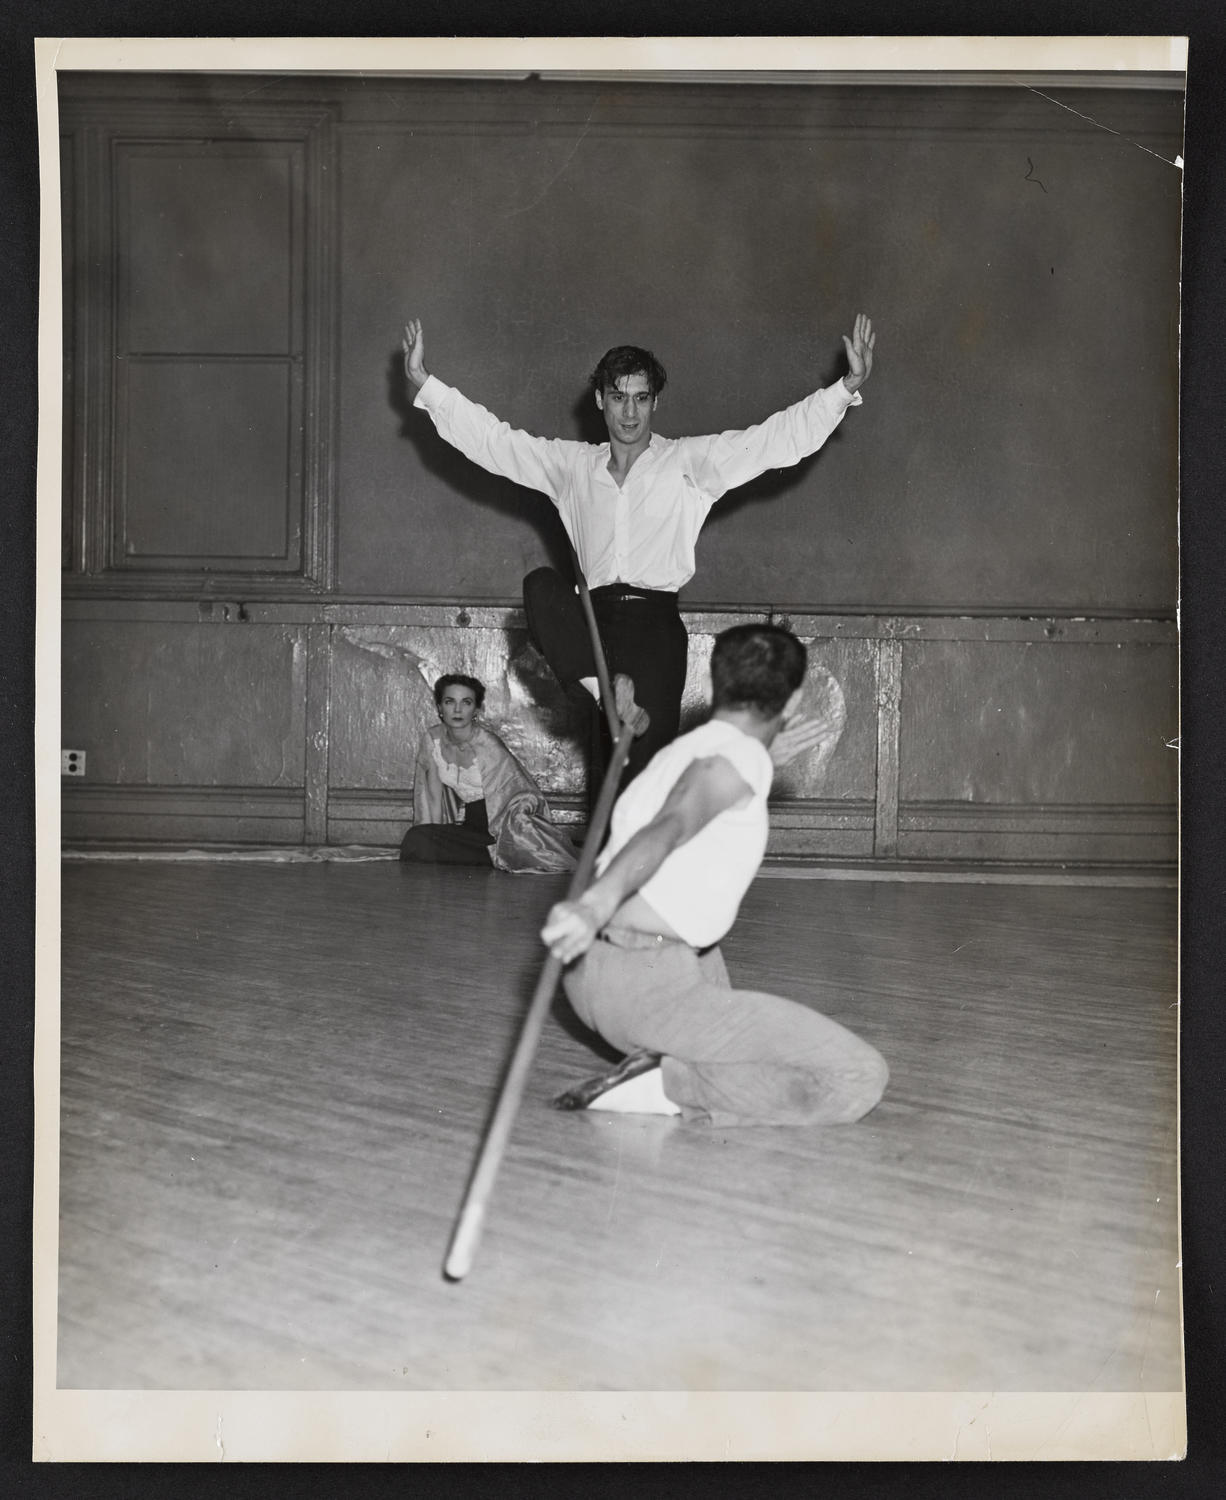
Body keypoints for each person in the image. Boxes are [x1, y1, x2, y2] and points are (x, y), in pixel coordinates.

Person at [400, 314, 876, 787]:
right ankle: (606, 693)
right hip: (593, 634)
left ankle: (615, 714)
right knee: (541, 586)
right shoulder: (572, 467)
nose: (630, 413)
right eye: (619, 398)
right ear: (600, 400)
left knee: (640, 785)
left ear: (655, 402)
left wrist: (844, 388)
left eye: (641, 399)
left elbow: (772, 441)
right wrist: (427, 385)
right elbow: (495, 442)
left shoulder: (688, 462)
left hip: (656, 632)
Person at [539, 624, 888, 1127]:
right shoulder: (734, 760)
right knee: (858, 1077)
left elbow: (695, 797)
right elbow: (672, 824)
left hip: (593, 972)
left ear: (715, 682)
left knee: (713, 963)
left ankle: (671, 1065)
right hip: (647, 990)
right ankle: (665, 1084)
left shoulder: (686, 750)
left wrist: (763, 755)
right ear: (790, 704)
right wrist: (593, 905)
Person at [401, 673, 578, 874]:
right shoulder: (432, 740)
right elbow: (433, 797)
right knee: (416, 840)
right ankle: (487, 858)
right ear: (440, 708)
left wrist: (513, 832)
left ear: (476, 709)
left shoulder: (488, 744)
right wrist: (432, 833)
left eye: (466, 703)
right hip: (471, 827)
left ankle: (500, 856)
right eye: (450, 702)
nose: (457, 710)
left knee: (427, 847)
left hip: (503, 827)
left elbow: (520, 793)